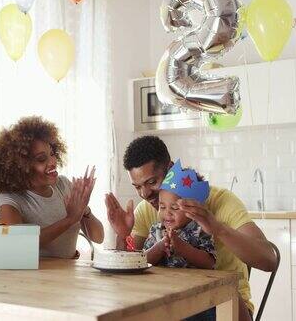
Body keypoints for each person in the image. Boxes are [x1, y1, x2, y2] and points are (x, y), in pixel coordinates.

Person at [105, 136, 277, 321]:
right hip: (167, 303)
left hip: (222, 305)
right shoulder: (147, 210)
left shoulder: (220, 201)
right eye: (138, 187)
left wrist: (217, 228)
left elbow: (269, 261)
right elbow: (130, 269)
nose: (144, 194)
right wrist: (122, 235)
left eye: (152, 182)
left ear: (171, 168)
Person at [0, 116, 104, 258]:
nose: (52, 162)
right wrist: (70, 219)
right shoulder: (10, 200)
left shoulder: (64, 185)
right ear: (21, 167)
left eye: (52, 154)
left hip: (68, 275)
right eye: (41, 159)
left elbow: (98, 237)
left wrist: (84, 209)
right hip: (34, 278)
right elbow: (17, 244)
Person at [144, 161, 216, 321]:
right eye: (162, 207)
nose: (167, 213)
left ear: (192, 208)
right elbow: (144, 261)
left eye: (175, 208)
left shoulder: (201, 229)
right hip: (161, 296)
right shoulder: (157, 230)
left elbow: (209, 263)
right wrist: (161, 245)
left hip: (196, 299)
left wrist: (182, 247)